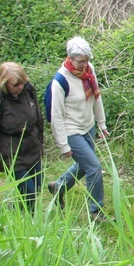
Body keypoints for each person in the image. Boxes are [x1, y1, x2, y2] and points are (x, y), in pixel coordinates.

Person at [47, 36, 111, 222]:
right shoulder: (60, 81)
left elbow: (96, 98)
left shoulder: (89, 71)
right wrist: (63, 145)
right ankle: (96, 211)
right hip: (71, 130)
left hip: (88, 126)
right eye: (81, 61)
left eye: (87, 60)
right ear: (70, 58)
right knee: (94, 168)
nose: (84, 65)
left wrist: (101, 124)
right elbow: (56, 115)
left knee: (85, 166)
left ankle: (58, 186)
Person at [0, 62, 44, 212]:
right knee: (28, 192)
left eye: (22, 83)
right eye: (16, 85)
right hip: (13, 154)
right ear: (5, 83)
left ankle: (17, 213)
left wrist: (41, 143)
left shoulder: (28, 89)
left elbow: (38, 118)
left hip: (32, 148)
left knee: (36, 188)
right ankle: (26, 222)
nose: (20, 87)